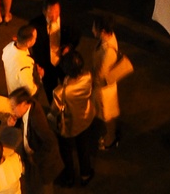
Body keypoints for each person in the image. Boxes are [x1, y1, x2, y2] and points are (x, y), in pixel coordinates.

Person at [51, 48, 94, 187]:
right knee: (83, 147)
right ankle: (85, 174)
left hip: (69, 125)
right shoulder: (88, 77)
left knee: (66, 151)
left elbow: (55, 110)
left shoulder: (60, 92)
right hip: (85, 118)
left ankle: (69, 177)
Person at [9, 84, 64, 194]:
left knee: (42, 189)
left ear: (24, 104)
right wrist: (16, 123)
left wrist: (34, 158)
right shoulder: (29, 108)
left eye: (14, 107)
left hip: (41, 166)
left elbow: (51, 143)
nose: (12, 110)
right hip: (33, 160)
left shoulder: (37, 120)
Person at [30, 0, 79, 98]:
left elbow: (76, 36)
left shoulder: (68, 21)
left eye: (57, 12)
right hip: (46, 65)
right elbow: (33, 46)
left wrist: (69, 47)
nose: (55, 16)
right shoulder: (35, 25)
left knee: (69, 88)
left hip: (64, 62)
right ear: (44, 12)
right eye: (51, 13)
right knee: (50, 91)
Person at [91, 16, 122, 152]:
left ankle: (111, 139)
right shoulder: (108, 38)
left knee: (108, 116)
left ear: (102, 31)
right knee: (107, 114)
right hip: (104, 87)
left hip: (105, 89)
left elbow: (101, 74)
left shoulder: (108, 51)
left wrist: (89, 79)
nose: (92, 29)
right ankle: (110, 135)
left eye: (94, 27)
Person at [3, 24, 40, 95]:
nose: (36, 39)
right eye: (35, 38)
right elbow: (30, 89)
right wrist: (39, 76)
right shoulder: (24, 66)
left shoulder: (8, 47)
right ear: (28, 43)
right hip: (21, 96)